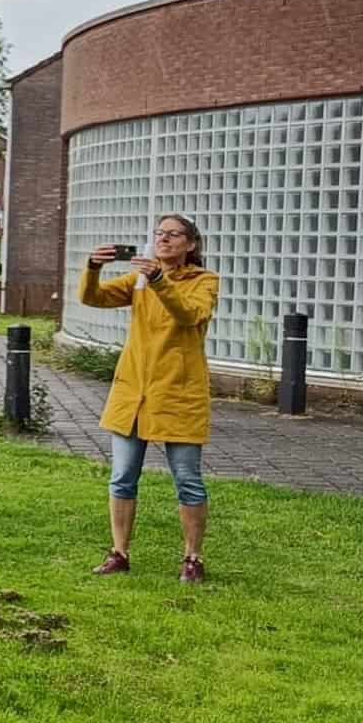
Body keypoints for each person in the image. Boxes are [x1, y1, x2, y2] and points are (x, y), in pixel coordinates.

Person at [79, 215, 221, 584]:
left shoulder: (203, 282)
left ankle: (193, 558)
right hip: (134, 393)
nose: (163, 240)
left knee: (188, 480)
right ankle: (119, 553)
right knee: (122, 478)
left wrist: (159, 282)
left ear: (191, 244)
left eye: (173, 235)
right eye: (159, 234)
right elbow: (92, 297)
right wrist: (93, 268)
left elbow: (189, 315)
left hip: (179, 393)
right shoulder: (141, 278)